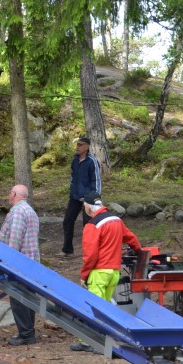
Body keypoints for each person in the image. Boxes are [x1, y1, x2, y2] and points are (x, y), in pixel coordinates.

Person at [71, 192, 142, 352]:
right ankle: (105, 339)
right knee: (106, 308)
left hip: (99, 272)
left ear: (89, 208)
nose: (84, 209)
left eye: (84, 207)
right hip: (114, 272)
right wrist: (139, 252)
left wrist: (84, 275)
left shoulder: (92, 225)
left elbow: (90, 255)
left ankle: (88, 341)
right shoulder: (116, 220)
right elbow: (132, 239)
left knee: (93, 308)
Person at [0, 184, 41, 346]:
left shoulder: (18, 212)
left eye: (10, 192)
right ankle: (29, 331)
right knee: (29, 297)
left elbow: (14, 239)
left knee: (18, 297)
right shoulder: (30, 211)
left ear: (15, 194)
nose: (9, 195)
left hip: (20, 262)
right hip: (32, 260)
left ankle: (25, 334)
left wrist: (8, 262)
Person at [61, 136, 101, 256]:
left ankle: (89, 252)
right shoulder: (75, 160)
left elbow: (97, 181)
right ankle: (67, 250)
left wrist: (94, 198)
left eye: (80, 145)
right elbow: (73, 176)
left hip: (89, 198)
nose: (77, 147)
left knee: (88, 226)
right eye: (77, 144)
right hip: (75, 197)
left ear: (87, 147)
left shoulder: (92, 161)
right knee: (67, 221)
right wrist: (72, 190)